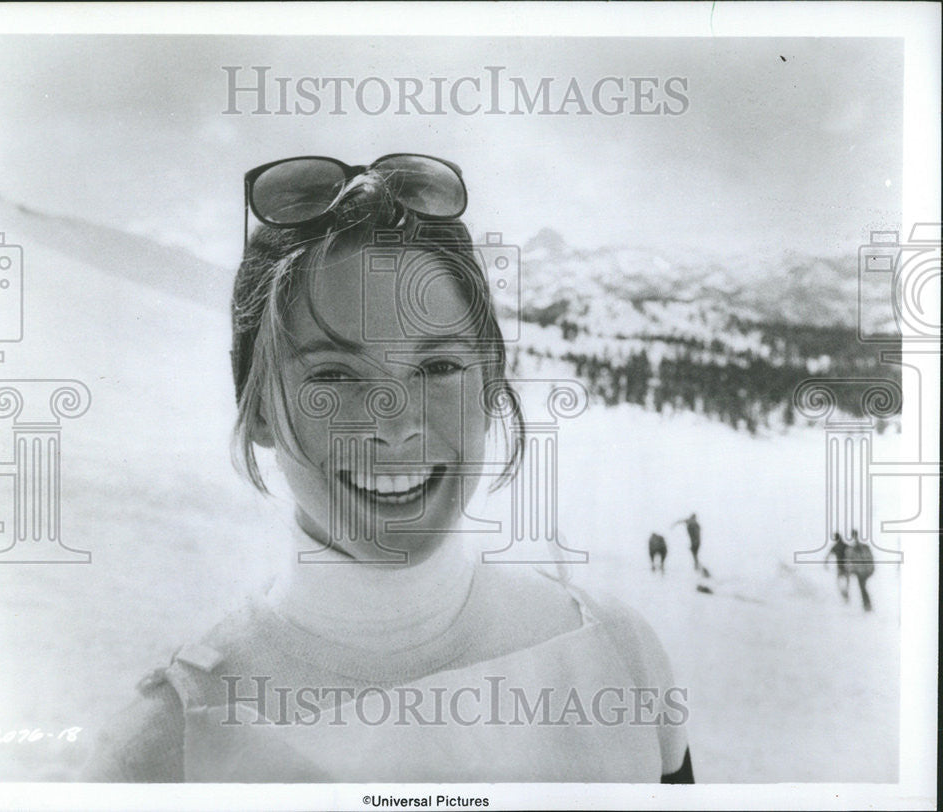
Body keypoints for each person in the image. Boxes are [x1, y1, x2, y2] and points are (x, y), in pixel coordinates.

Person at [80, 154, 692, 783]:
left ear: (489, 390)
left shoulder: (617, 652)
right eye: (335, 375)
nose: (395, 424)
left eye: (438, 368)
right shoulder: (164, 752)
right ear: (258, 407)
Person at [845, 529, 875, 611]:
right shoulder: (852, 549)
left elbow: (870, 558)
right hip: (861, 571)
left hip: (863, 570)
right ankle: (867, 605)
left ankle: (867, 605)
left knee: (862, 587)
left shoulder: (858, 548)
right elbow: (849, 562)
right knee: (862, 587)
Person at [824, 531, 850, 600]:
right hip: (844, 568)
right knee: (844, 583)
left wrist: (826, 564)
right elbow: (828, 556)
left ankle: (845, 594)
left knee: (840, 583)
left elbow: (828, 556)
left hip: (843, 568)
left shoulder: (837, 547)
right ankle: (845, 594)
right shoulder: (844, 546)